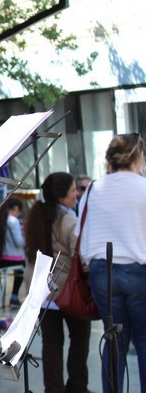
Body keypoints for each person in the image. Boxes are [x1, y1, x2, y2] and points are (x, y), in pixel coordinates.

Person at [80, 134, 146, 393]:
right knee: (144, 341)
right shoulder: (143, 187)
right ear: (137, 157)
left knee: (113, 341)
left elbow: (81, 232)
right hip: (139, 268)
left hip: (101, 271)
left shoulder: (93, 189)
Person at [24, 172, 90, 393]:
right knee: (79, 338)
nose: (76, 194)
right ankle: (77, 386)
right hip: (69, 292)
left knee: (51, 344)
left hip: (44, 293)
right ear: (62, 196)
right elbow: (80, 256)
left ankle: (54, 389)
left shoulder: (36, 218)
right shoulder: (69, 220)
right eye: (73, 190)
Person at [0, 197, 26, 306]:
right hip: (13, 260)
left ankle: (7, 299)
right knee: (24, 266)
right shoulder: (13, 221)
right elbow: (19, 242)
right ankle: (14, 296)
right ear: (16, 208)